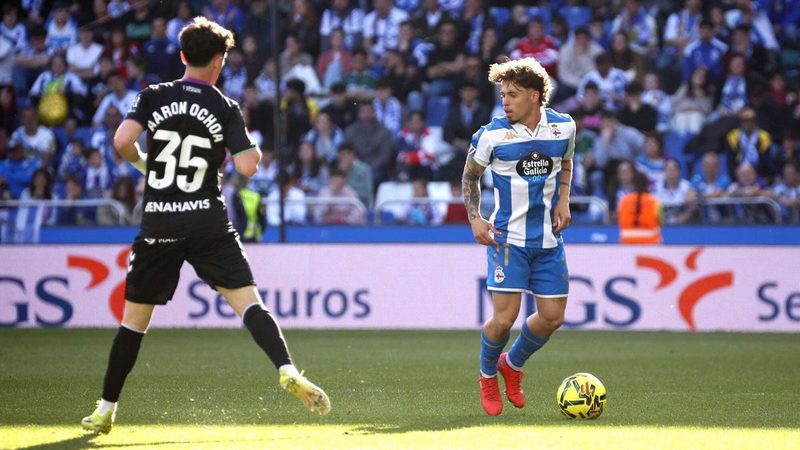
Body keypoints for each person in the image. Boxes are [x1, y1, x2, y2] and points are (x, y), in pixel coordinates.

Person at [80, 17, 331, 435]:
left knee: (132, 324)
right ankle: (286, 368)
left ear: (181, 56)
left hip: (160, 219)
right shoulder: (223, 105)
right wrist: (249, 149)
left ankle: (106, 409)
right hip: (207, 220)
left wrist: (148, 167)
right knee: (250, 304)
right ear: (220, 61)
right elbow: (249, 167)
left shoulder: (153, 96)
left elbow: (122, 142)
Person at [462, 57, 574, 416]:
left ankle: (511, 365)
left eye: (512, 94)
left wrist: (564, 200)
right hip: (506, 238)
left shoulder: (564, 128)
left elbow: (567, 162)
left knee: (553, 317)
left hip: (548, 240)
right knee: (504, 318)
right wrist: (476, 218)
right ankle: (486, 376)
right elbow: (469, 177)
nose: (505, 101)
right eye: (502, 94)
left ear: (535, 96)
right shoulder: (491, 134)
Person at [618, 170, 662, 244]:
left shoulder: (623, 201)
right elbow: (660, 222)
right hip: (650, 243)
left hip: (627, 242)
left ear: (634, 185)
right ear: (647, 185)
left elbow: (620, 221)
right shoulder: (655, 201)